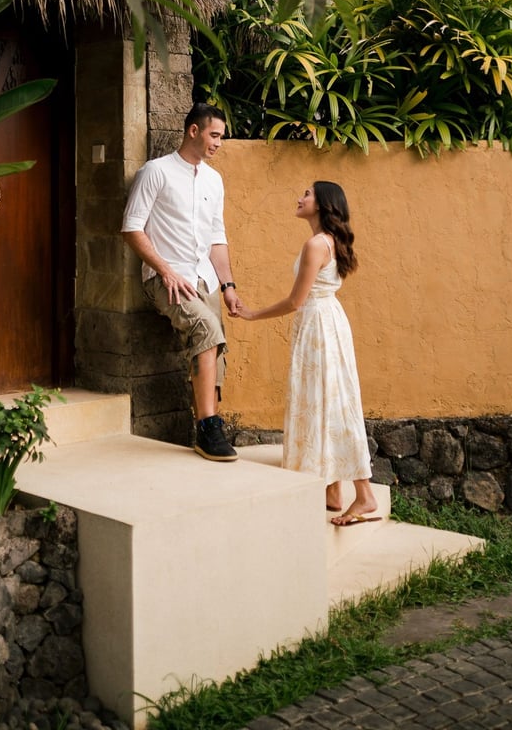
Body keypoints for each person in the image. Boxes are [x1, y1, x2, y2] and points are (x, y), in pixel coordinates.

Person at [231, 181, 380, 524]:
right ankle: (333, 490)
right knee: (332, 398)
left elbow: (295, 301)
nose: (300, 198)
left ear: (323, 204)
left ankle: (364, 495)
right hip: (328, 322)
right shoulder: (330, 242)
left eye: (307, 194)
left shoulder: (316, 245)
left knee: (328, 400)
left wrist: (252, 314)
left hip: (318, 326)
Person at [121, 103, 239, 462]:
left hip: (204, 278)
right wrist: (166, 270)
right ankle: (208, 427)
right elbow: (132, 228)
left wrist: (228, 286)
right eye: (214, 135)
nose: (218, 143)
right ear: (193, 131)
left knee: (216, 348)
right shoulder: (155, 172)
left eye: (221, 137)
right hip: (166, 279)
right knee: (206, 330)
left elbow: (216, 238)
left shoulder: (214, 180)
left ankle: (207, 428)